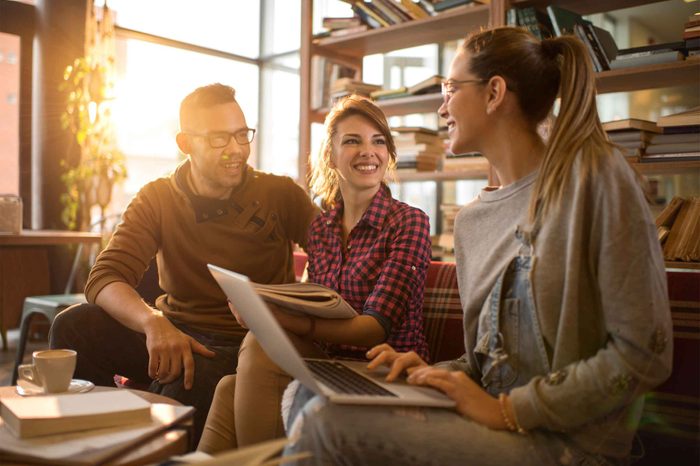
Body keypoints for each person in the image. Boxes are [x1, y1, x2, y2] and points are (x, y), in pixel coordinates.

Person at [282, 27, 673, 465]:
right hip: (492, 424)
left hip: (569, 445)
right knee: (302, 394)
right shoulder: (472, 222)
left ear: (494, 93)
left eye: (450, 88)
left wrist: (507, 409)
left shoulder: (596, 180)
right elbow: (490, 362)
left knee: (325, 423)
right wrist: (436, 374)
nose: (441, 105)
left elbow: (644, 354)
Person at [49, 83, 319, 443]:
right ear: (185, 144)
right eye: (219, 139)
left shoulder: (280, 193)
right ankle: (94, 439)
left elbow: (336, 253)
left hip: (244, 342)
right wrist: (152, 321)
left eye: (242, 135)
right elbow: (103, 278)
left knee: (186, 380)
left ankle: (146, 445)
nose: (236, 150)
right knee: (72, 328)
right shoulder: (157, 197)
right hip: (176, 328)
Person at [198, 95, 433, 453]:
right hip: (331, 365)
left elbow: (373, 331)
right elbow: (319, 301)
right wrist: (261, 309)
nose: (368, 151)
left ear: (389, 154)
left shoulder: (408, 222)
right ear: (330, 155)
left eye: (378, 141)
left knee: (259, 345)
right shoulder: (322, 228)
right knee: (227, 386)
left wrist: (277, 321)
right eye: (353, 141)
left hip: (388, 371)